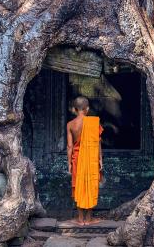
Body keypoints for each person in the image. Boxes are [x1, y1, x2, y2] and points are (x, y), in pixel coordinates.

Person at [67, 96, 103, 225]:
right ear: (87, 109)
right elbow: (98, 143)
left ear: (75, 109)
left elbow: (70, 146)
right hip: (92, 159)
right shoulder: (94, 122)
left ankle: (80, 219)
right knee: (91, 185)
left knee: (78, 186)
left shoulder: (71, 124)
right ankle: (89, 219)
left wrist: (69, 163)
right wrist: (100, 160)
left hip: (77, 159)